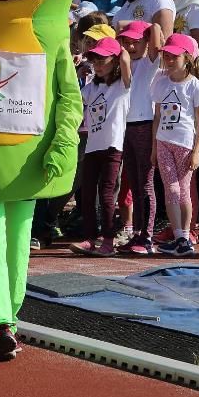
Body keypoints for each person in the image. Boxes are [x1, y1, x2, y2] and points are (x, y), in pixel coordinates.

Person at [70, 37, 132, 257]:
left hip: (113, 146)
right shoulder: (92, 87)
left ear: (114, 60)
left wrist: (118, 48)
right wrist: (76, 73)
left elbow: (126, 60)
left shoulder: (122, 85)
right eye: (94, 60)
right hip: (92, 147)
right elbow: (74, 99)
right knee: (87, 194)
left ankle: (108, 240)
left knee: (106, 193)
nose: (97, 64)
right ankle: (90, 238)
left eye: (102, 59)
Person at [150, 33, 199, 256]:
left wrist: (196, 151)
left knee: (183, 190)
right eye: (167, 56)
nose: (170, 60)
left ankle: (185, 235)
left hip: (185, 145)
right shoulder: (161, 82)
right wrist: (154, 148)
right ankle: (178, 237)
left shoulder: (195, 86)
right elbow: (157, 117)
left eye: (175, 56)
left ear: (187, 58)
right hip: (163, 142)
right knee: (171, 189)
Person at [115, 20, 162, 254]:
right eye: (127, 42)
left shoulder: (150, 62)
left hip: (145, 125)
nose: (131, 46)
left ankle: (148, 236)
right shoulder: (122, 64)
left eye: (136, 41)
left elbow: (157, 30)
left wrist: (147, 25)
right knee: (133, 183)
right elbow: (118, 29)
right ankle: (137, 233)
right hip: (126, 127)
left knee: (146, 184)